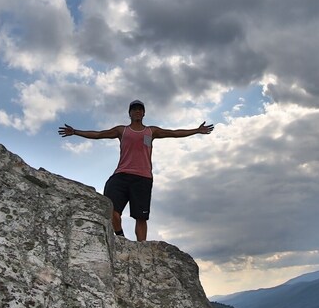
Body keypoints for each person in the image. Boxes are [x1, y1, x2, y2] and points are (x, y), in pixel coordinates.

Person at [58, 100, 214, 241]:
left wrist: (197, 130)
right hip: (121, 176)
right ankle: (120, 237)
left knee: (141, 218)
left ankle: (141, 248)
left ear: (144, 113)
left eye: (140, 109)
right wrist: (75, 132)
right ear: (129, 113)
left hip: (143, 178)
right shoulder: (122, 130)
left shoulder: (151, 131)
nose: (137, 112)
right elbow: (99, 134)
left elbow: (174, 133)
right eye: (134, 110)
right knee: (111, 209)